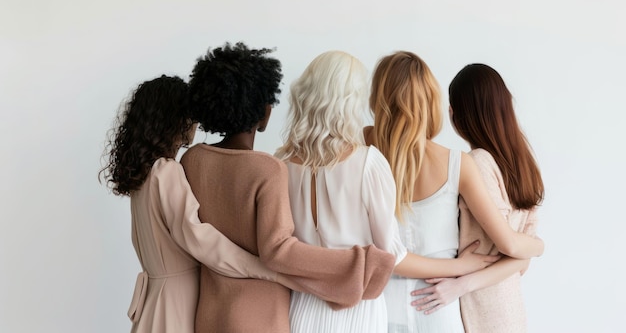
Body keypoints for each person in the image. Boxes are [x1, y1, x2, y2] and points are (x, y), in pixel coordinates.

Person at [275, 51, 501, 333]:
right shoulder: (367, 161)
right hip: (360, 307)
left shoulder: (279, 165)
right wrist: (462, 267)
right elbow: (393, 255)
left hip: (302, 308)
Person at [179, 42, 396, 333]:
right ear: (263, 112)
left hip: (211, 309)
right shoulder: (270, 169)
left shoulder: (192, 160)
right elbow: (278, 250)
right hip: (272, 311)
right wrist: (361, 265)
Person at [364, 51, 545, 333]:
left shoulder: (362, 153)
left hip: (382, 306)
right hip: (439, 307)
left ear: (377, 98)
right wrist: (538, 247)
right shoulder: (458, 164)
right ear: (430, 101)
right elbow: (507, 246)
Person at [99, 75, 280, 333]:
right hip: (177, 304)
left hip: (154, 302)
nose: (196, 122)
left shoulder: (144, 175)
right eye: (191, 114)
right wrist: (264, 269)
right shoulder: (166, 171)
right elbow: (198, 238)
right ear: (177, 118)